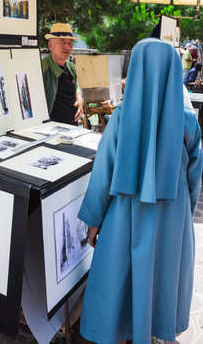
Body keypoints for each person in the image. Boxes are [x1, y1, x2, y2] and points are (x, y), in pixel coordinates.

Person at [78, 38, 203, 344]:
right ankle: (156, 330)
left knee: (120, 275)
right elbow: (194, 178)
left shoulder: (120, 118)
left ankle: (122, 331)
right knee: (163, 276)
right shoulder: (188, 123)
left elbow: (103, 173)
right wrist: (184, 217)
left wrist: (94, 219)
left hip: (125, 216)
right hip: (171, 218)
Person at [42, 23, 83, 125]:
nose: (67, 47)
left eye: (70, 43)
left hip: (72, 128)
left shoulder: (71, 67)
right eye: (62, 42)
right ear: (50, 45)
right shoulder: (42, 68)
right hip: (51, 130)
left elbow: (77, 87)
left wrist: (79, 99)